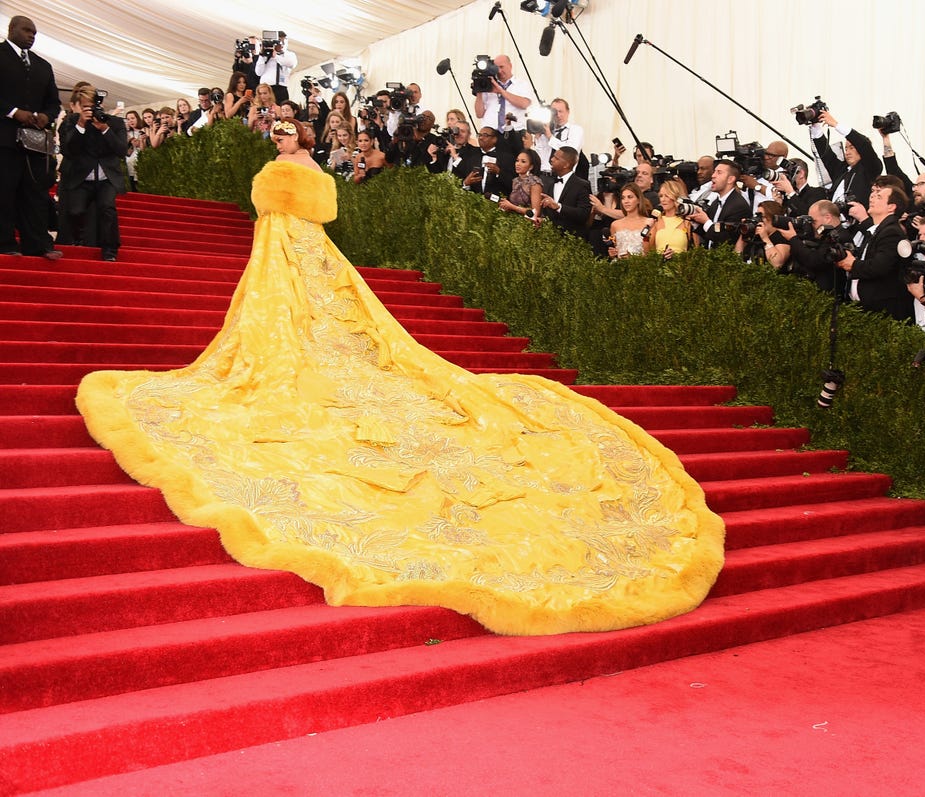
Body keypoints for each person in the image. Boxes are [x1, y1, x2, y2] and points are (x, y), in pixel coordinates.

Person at [74, 119, 725, 637]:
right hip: (277, 253)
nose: (277, 139)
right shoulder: (293, 177)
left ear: (298, 138)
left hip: (302, 251)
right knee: (280, 332)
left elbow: (309, 210)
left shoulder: (298, 173)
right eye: (274, 135)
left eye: (283, 133)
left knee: (344, 341)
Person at [1, 15, 62, 259]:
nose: (31, 36)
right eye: (27, 31)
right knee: (4, 192)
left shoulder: (43, 65)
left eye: (34, 33)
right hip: (4, 139)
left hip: (35, 142)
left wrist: (47, 116)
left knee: (35, 193)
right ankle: (5, 244)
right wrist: (14, 112)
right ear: (12, 29)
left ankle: (37, 244)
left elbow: (54, 102)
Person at [59, 82, 126, 262]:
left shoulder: (115, 122)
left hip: (107, 177)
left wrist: (104, 129)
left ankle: (110, 250)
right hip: (82, 177)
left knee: (107, 208)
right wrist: (81, 124)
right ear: (79, 107)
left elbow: (121, 150)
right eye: (85, 106)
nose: (90, 110)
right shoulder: (71, 122)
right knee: (75, 211)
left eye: (93, 106)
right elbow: (69, 151)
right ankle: (79, 239)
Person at [835, 183, 911, 321]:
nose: (872, 197)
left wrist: (853, 264)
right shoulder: (878, 230)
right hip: (865, 310)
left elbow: (879, 266)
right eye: (873, 194)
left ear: (891, 207)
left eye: (879, 197)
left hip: (881, 313)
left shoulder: (892, 232)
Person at [811, 108, 883, 205]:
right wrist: (815, 125)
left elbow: (864, 144)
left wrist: (835, 124)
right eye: (846, 149)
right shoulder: (842, 170)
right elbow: (826, 155)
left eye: (852, 148)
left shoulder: (870, 168)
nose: (847, 152)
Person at [687, 159, 752, 250]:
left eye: (719, 172)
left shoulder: (738, 206)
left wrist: (706, 221)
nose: (713, 176)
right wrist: (695, 222)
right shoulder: (715, 203)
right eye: (714, 172)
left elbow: (726, 239)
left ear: (730, 179)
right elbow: (708, 232)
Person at [539, 145, 592, 240]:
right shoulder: (551, 184)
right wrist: (542, 220)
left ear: (566, 165)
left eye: (556, 158)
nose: (552, 159)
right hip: (550, 240)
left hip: (572, 240)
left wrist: (559, 207)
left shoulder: (582, 185)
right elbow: (550, 214)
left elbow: (583, 214)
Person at [472, 54, 532, 133]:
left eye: (502, 67)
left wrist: (501, 91)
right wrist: (479, 89)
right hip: (490, 135)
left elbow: (524, 104)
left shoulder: (521, 84)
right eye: (496, 68)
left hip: (515, 131)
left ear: (510, 66)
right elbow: (479, 114)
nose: (499, 71)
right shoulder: (489, 85)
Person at [649, 177, 696, 258]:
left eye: (667, 196)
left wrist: (676, 256)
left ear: (676, 197)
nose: (663, 200)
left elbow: (696, 251)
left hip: (682, 267)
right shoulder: (656, 221)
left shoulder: (687, 221)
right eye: (661, 196)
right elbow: (649, 251)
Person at [606, 184, 653, 258]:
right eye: (623, 198)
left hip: (641, 266)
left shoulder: (649, 223)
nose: (626, 201)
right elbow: (615, 251)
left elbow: (652, 252)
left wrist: (633, 257)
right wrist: (613, 254)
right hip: (619, 267)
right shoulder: (615, 225)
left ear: (638, 200)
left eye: (630, 197)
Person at [497, 148, 542, 221]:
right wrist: (506, 207)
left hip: (527, 224)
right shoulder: (515, 181)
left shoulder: (535, 183)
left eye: (523, 162)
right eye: (517, 161)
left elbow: (535, 212)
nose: (518, 164)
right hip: (512, 221)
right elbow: (513, 205)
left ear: (531, 166)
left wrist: (512, 207)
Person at [254, 32, 297, 102]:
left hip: (281, 88)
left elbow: (291, 64)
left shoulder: (289, 54)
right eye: (279, 42)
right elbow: (258, 72)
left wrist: (276, 56)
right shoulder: (266, 54)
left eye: (284, 42)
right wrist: (262, 56)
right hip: (266, 88)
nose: (282, 44)